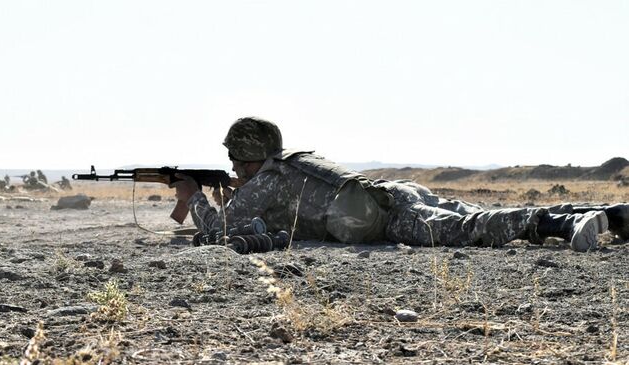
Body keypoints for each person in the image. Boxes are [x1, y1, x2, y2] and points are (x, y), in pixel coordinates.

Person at [172, 117, 628, 252]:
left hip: (385, 216)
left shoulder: (268, 178)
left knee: (470, 230)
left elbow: (220, 231)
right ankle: (609, 213)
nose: (233, 165)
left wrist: (193, 198)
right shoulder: (292, 163)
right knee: (467, 212)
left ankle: (560, 224)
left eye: (235, 159)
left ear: (248, 156)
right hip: (395, 190)